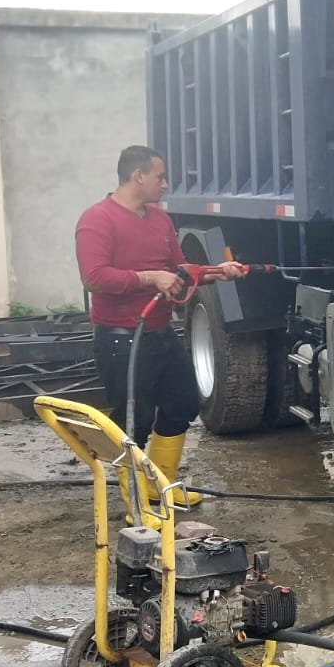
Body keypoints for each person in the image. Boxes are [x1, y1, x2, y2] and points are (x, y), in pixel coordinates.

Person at [75, 145, 242, 510]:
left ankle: (158, 486)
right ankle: (136, 505)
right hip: (121, 339)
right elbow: (94, 277)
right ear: (138, 176)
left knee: (183, 402)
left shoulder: (160, 220)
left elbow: (179, 272)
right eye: (160, 177)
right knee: (133, 421)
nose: (165, 184)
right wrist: (150, 278)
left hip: (160, 333)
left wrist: (217, 272)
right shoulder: (97, 220)